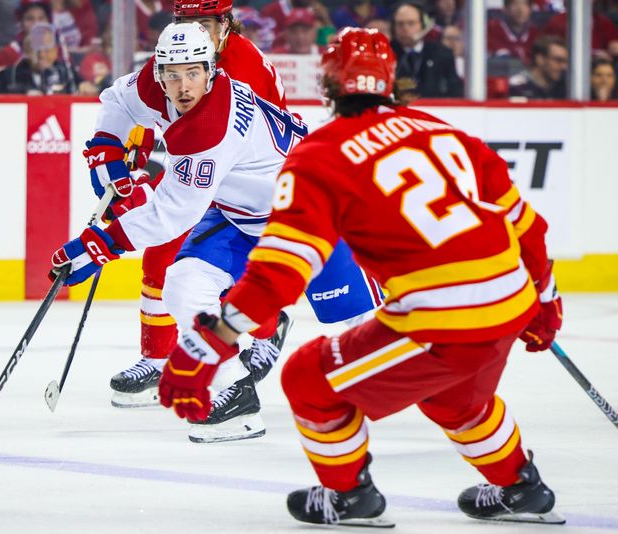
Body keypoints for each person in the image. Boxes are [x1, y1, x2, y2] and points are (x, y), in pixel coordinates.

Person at [157, 27, 564, 527]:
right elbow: (527, 226)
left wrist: (209, 345)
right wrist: (545, 301)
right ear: (391, 81)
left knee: (308, 379)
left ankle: (351, 498)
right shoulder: (445, 133)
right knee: (456, 399)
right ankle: (521, 488)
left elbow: (279, 273)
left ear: (327, 86)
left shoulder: (321, 154)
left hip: (442, 320)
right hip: (511, 300)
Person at [51, 21, 308, 443]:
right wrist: (106, 147)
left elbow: (171, 208)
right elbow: (120, 99)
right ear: (159, 72)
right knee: (179, 278)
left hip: (303, 210)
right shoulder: (165, 80)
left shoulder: (226, 94)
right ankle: (206, 377)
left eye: (193, 73)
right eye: (173, 74)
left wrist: (100, 244)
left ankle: (451, 369)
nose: (183, 85)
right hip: (235, 202)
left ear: (213, 65)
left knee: (365, 313)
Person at [101, 0, 291, 413]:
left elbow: (222, 137)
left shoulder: (241, 66)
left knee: (226, 275)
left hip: (247, 181)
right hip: (206, 164)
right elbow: (159, 102)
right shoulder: (184, 53)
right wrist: (135, 142)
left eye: (204, 23)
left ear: (225, 25)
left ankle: (268, 327)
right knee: (160, 256)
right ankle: (156, 358)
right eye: (186, 22)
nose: (195, 31)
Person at [391, 1, 463, 98]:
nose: (405, 28)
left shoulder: (442, 54)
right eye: (400, 24)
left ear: (423, 25)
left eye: (411, 23)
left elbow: (455, 91)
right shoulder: (387, 53)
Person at [0, 22, 81, 94]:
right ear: (26, 50)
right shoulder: (9, 76)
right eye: (36, 49)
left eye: (47, 49)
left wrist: (86, 87)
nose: (42, 54)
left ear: (55, 51)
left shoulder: (68, 72)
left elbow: (84, 88)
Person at [0, 0, 52, 72]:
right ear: (21, 22)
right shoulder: (8, 53)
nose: (36, 24)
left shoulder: (57, 51)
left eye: (41, 18)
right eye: (30, 19)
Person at [509, 34, 567, 99]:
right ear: (540, 59)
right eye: (558, 60)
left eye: (565, 61)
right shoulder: (518, 86)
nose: (564, 67)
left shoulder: (566, 87)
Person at [487, 0, 539, 65]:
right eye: (515, 4)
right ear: (505, 8)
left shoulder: (535, 33)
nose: (520, 10)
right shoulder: (492, 30)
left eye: (525, 4)